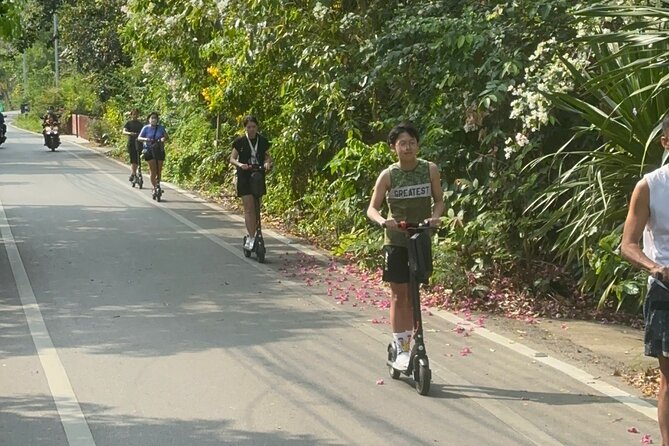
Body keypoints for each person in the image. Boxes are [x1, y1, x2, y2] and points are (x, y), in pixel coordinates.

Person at [366, 122, 444, 371]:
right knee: (399, 294)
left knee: (414, 293)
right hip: (397, 241)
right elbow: (372, 208)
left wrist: (435, 217)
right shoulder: (388, 174)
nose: (408, 147)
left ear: (418, 145)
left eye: (412, 142)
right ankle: (401, 346)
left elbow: (439, 200)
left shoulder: (429, 170)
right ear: (393, 148)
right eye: (402, 143)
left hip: (419, 238)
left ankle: (414, 341)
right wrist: (382, 221)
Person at [622, 114, 669, 445]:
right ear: (665, 141)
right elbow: (628, 244)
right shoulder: (650, 186)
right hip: (666, 290)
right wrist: (654, 267)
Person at [229, 116, 273, 250]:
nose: (251, 129)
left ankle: (257, 234)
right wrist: (240, 165)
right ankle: (251, 236)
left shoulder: (263, 141)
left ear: (257, 127)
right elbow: (232, 158)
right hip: (244, 177)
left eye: (253, 127)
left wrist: (267, 163)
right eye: (249, 127)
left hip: (258, 176)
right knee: (248, 208)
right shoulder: (240, 142)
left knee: (257, 207)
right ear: (245, 128)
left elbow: (267, 156)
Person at [137, 112, 168, 199]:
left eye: (155, 118)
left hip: (159, 149)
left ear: (157, 120)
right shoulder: (145, 128)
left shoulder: (161, 128)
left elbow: (166, 136)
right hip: (149, 150)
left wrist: (163, 139)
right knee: (153, 169)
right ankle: (154, 186)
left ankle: (158, 184)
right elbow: (139, 138)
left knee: (159, 169)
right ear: (149, 119)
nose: (153, 119)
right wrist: (146, 139)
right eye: (152, 118)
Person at [122, 109, 144, 183]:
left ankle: (133, 173)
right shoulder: (128, 123)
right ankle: (134, 173)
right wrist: (130, 133)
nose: (135, 116)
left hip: (139, 143)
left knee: (138, 159)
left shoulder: (140, 124)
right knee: (133, 159)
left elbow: (144, 132)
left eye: (136, 114)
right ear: (131, 115)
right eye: (134, 114)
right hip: (131, 143)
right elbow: (124, 131)